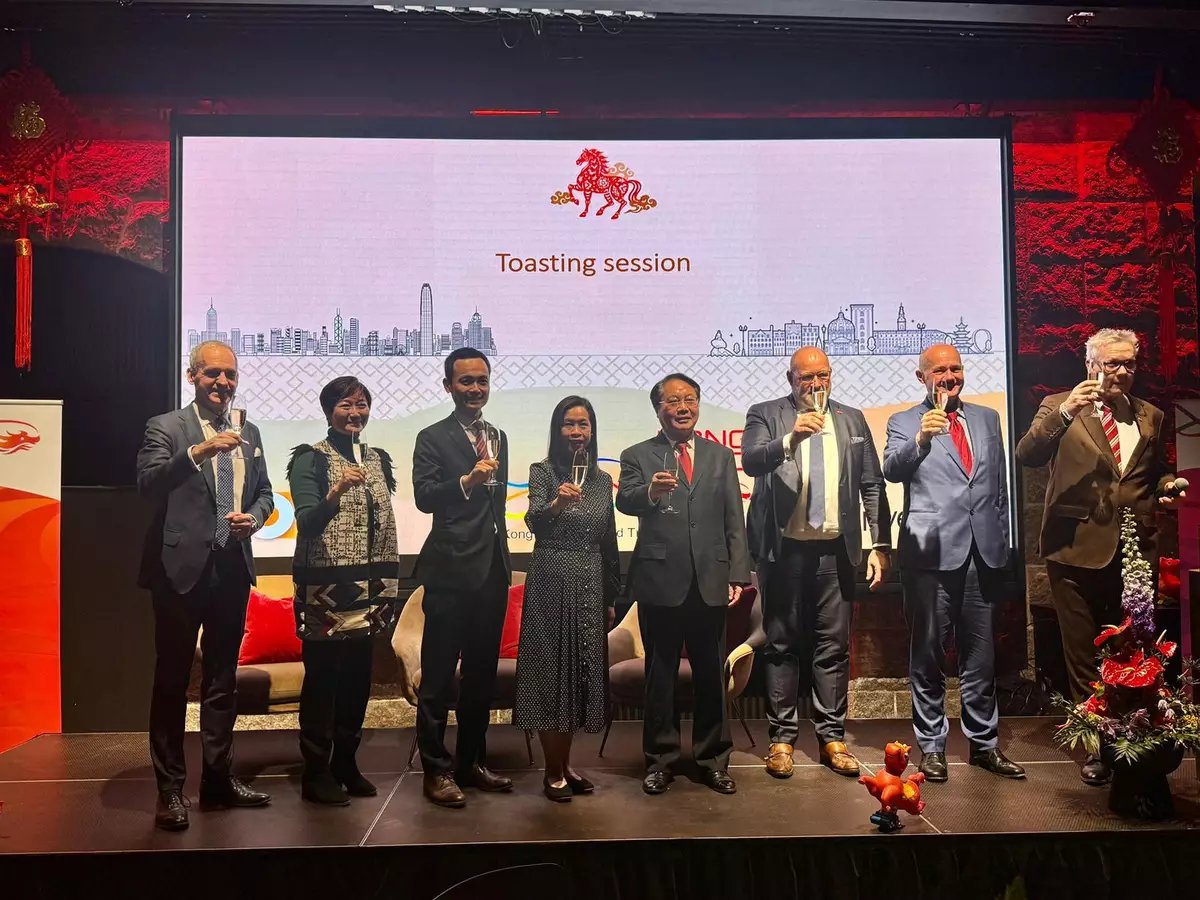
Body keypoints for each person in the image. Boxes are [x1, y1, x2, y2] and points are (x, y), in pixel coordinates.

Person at [1016, 328, 1180, 787]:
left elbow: (1155, 474)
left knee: (1131, 653)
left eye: (1130, 363)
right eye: (1113, 364)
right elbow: (1028, 453)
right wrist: (1067, 411)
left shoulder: (1150, 415)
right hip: (1075, 550)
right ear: (1091, 365)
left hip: (1134, 552)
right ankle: (1097, 745)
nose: (1122, 372)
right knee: (1084, 656)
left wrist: (1168, 488)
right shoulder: (1059, 405)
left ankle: (1135, 737)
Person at [136, 340, 274, 831]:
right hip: (180, 568)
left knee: (222, 681)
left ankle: (217, 780)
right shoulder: (166, 426)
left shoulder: (249, 431)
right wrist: (200, 451)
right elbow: (148, 482)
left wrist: (254, 519)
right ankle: (170, 790)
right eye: (213, 373)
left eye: (230, 374)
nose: (223, 382)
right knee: (173, 680)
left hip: (231, 567)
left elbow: (264, 493)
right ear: (192, 376)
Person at [742, 347, 891, 780]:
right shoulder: (766, 414)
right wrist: (791, 438)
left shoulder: (851, 418)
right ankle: (782, 739)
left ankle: (832, 738)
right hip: (784, 550)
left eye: (822, 375)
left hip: (834, 551)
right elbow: (751, 460)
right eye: (806, 377)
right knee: (781, 645)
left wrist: (880, 544)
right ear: (790, 379)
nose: (816, 384)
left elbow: (871, 483)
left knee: (834, 647)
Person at [883, 344, 1025, 782]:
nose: (949, 376)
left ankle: (984, 744)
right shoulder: (904, 421)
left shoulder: (988, 418)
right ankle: (932, 747)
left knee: (981, 657)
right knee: (928, 654)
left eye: (956, 368)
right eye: (939, 370)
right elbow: (892, 469)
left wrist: (1001, 541)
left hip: (983, 554)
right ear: (921, 376)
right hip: (931, 556)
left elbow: (997, 488)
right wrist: (922, 440)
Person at [615, 373, 751, 796]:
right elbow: (624, 500)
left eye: (689, 399)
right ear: (658, 409)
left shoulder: (719, 456)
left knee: (711, 675)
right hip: (660, 581)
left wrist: (737, 573)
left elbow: (733, 516)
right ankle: (661, 761)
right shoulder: (637, 455)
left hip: (710, 580)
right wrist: (651, 493)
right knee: (660, 676)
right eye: (673, 401)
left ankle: (713, 760)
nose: (683, 407)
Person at [287, 377, 400, 806]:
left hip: (371, 589)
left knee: (357, 679)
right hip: (327, 590)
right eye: (345, 405)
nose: (355, 413)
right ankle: (316, 771)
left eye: (362, 404)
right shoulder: (310, 458)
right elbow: (307, 523)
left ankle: (346, 764)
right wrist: (336, 491)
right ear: (328, 411)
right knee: (323, 680)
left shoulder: (377, 458)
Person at [412, 347, 513, 808]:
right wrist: (467, 482)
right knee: (437, 679)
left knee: (480, 677)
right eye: (466, 381)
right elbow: (424, 497)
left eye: (482, 381)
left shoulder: (498, 435)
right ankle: (436, 770)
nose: (475, 389)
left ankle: (472, 761)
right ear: (448, 386)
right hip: (450, 570)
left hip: (492, 571)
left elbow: (496, 507)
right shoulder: (432, 437)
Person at [513, 396, 620, 802]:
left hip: (590, 580)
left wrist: (611, 595)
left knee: (579, 675)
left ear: (592, 430)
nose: (577, 432)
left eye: (584, 424)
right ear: (557, 430)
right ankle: (552, 770)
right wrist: (557, 503)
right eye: (569, 424)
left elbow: (609, 540)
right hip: (550, 578)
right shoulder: (542, 472)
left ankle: (566, 763)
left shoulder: (602, 480)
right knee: (550, 674)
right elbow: (534, 522)